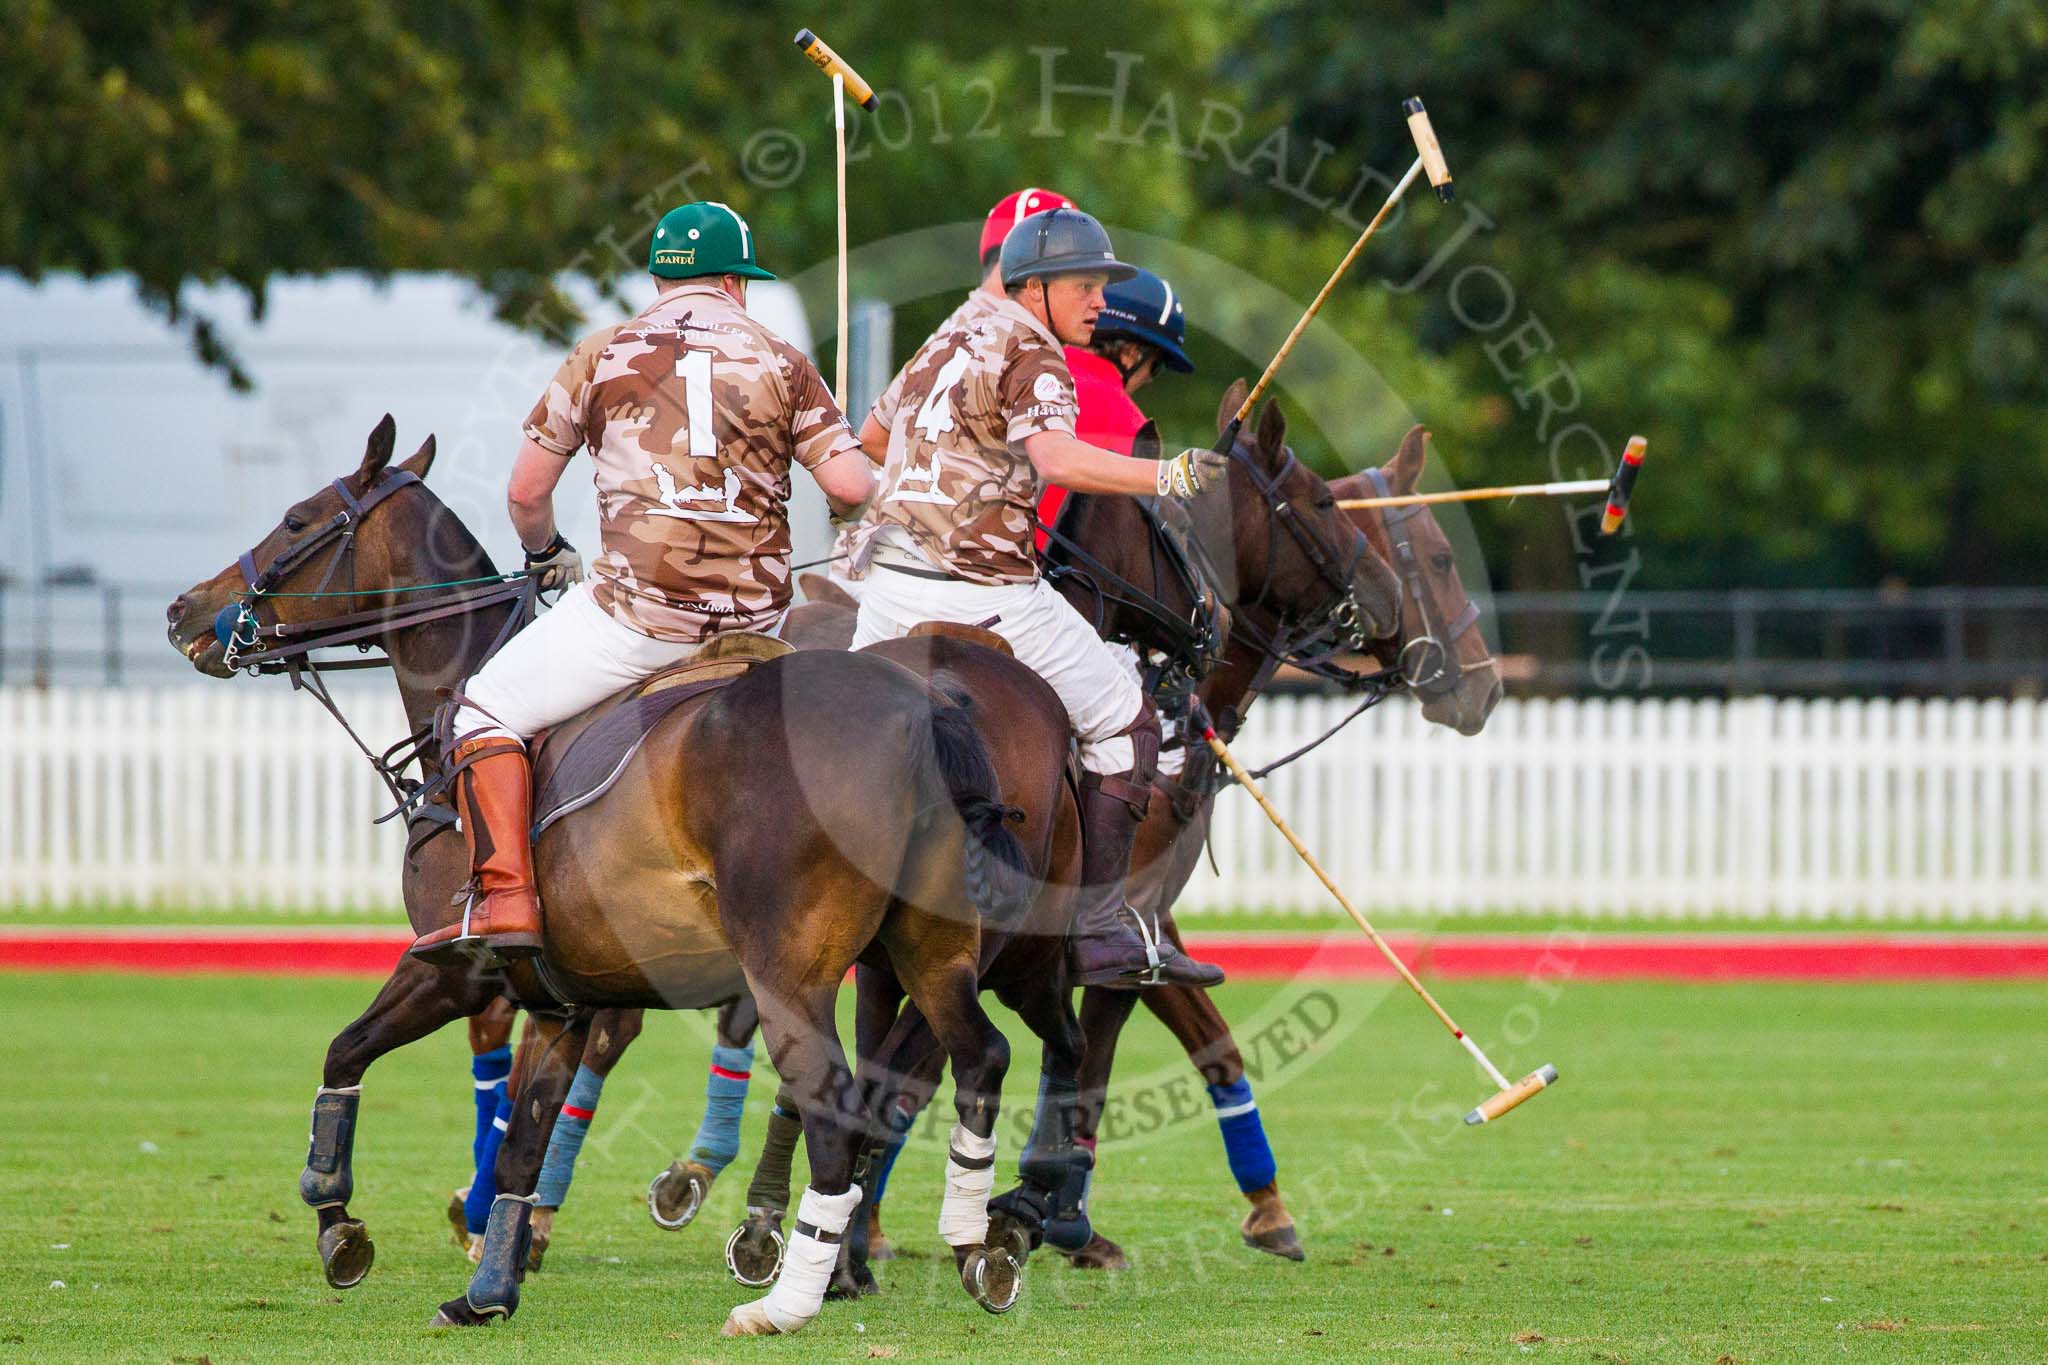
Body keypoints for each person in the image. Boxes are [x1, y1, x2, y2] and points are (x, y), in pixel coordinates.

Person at [410, 200, 876, 964]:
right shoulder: (782, 358)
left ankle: (506, 898)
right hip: (760, 622)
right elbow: (854, 486)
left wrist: (545, 552)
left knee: (484, 709)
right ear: (734, 282)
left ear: (660, 278)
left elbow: (526, 492)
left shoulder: (600, 353)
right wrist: (841, 493)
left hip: (639, 621)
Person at [845, 206, 1226, 990]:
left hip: (883, 591)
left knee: (846, 749)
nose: (1097, 302)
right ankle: (1096, 927)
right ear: (1037, 288)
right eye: (1084, 286)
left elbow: (875, 443)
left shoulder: (947, 334)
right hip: (988, 593)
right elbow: (1052, 455)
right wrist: (1166, 473)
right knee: (1127, 718)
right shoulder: (1035, 352)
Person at [824, 187, 1076, 603]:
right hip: (923, 578)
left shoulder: (959, 327)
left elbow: (872, 437)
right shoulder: (1018, 344)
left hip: (868, 565)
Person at [1035, 265, 1195, 544]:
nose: (1149, 380)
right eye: (1155, 366)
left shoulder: (1017, 370)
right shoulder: (1129, 423)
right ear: (1134, 352)